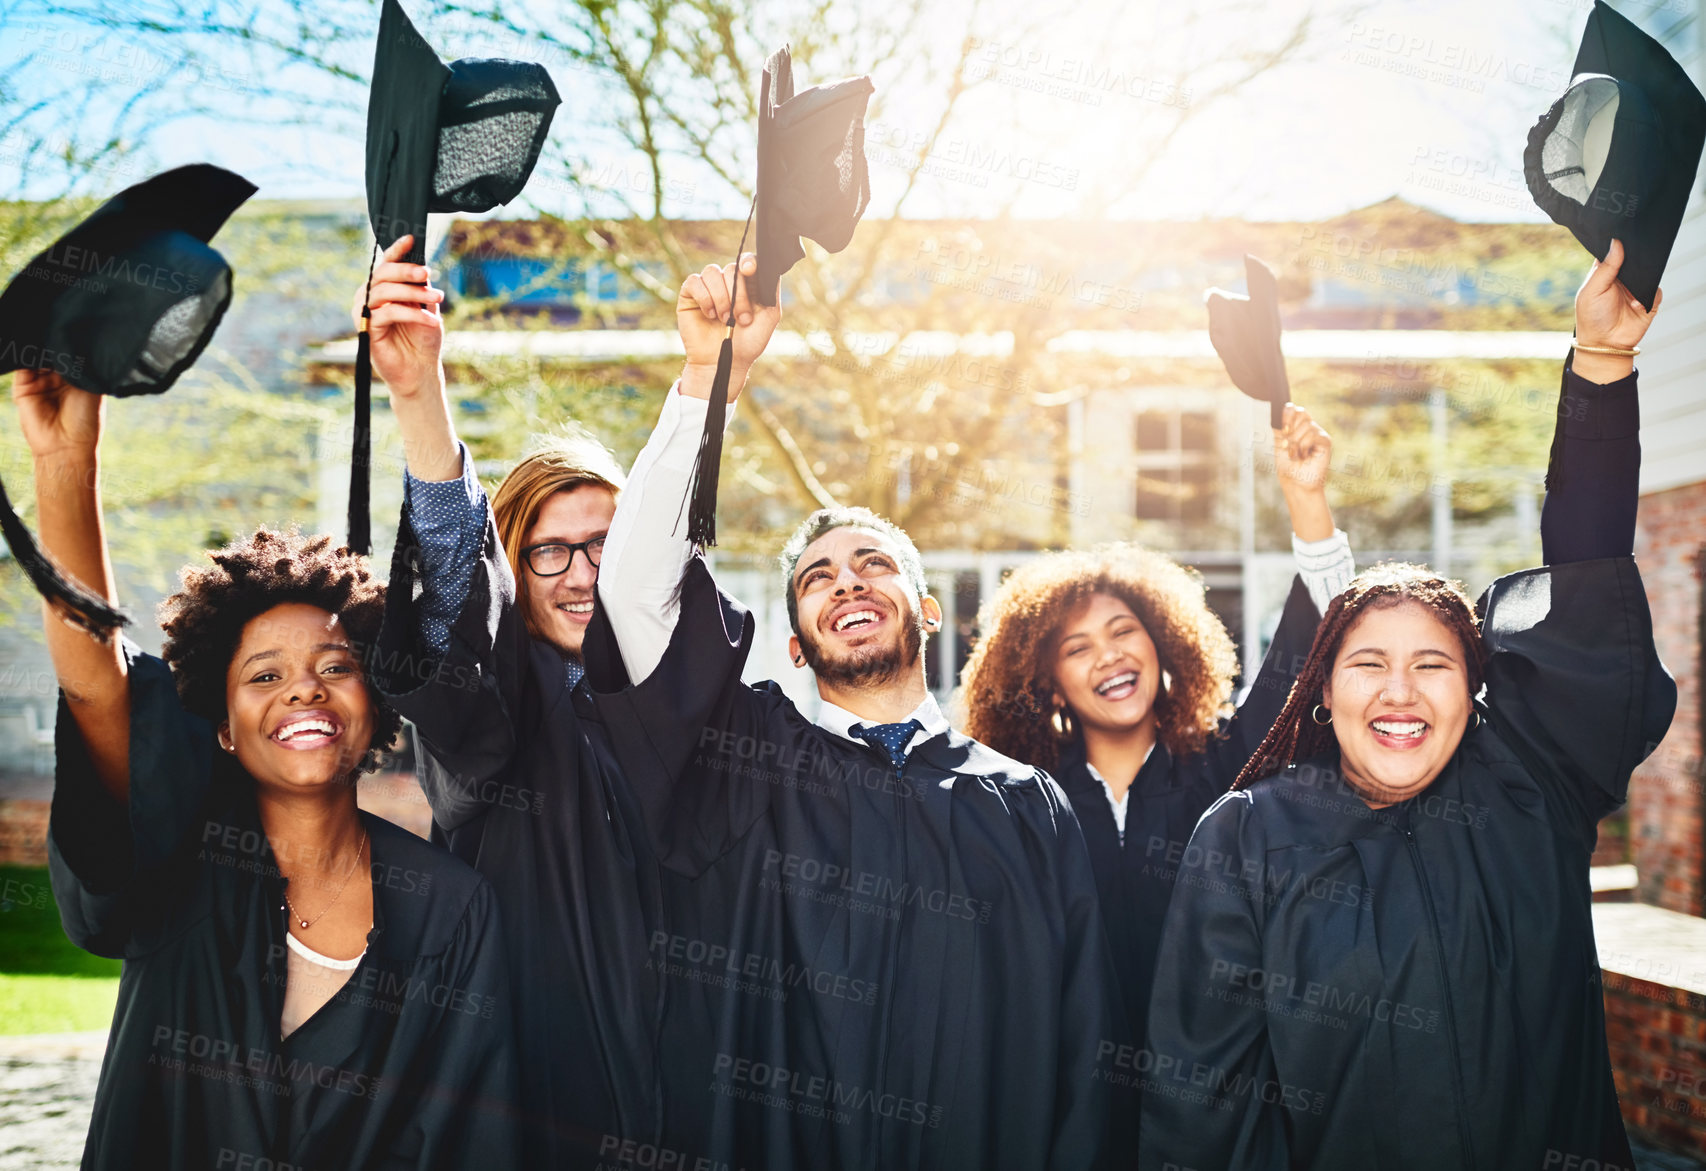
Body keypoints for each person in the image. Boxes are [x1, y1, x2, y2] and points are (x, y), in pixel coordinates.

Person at [1138, 240, 1676, 1171]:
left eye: (1432, 662)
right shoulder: (1249, 838)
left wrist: (1601, 370)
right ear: (1323, 689)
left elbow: (1583, 579)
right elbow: (1205, 1099)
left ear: (1475, 688)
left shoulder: (1529, 795)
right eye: (1367, 663)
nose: (1398, 689)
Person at [579, 254, 1115, 1170]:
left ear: (926, 608)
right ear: (795, 643)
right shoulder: (742, 764)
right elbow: (633, 592)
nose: (846, 582)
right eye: (817, 578)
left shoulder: (1028, 804)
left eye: (873, 565)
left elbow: (1085, 1043)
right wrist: (711, 383)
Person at [16, 366, 518, 1170]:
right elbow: (96, 683)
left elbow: (469, 1139)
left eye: (335, 666)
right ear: (220, 725)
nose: (304, 690)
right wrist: (65, 464)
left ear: (378, 702)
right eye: (264, 676)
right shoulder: (182, 854)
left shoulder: (448, 911)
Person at [958, 404, 1351, 1162]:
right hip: (1070, 1112)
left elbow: (1312, 657)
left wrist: (1307, 501)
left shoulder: (1224, 764)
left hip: (1216, 1107)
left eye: (1123, 631)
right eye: (1077, 647)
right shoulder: (1023, 803)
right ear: (1046, 681)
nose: (1108, 656)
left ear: (1163, 641)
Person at [359, 234, 665, 1167]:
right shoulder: (494, 704)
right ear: (514, 570)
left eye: (605, 542)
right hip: (534, 1087)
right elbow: (457, 584)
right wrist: (419, 396)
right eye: (548, 550)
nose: (581, 573)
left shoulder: (682, 703)